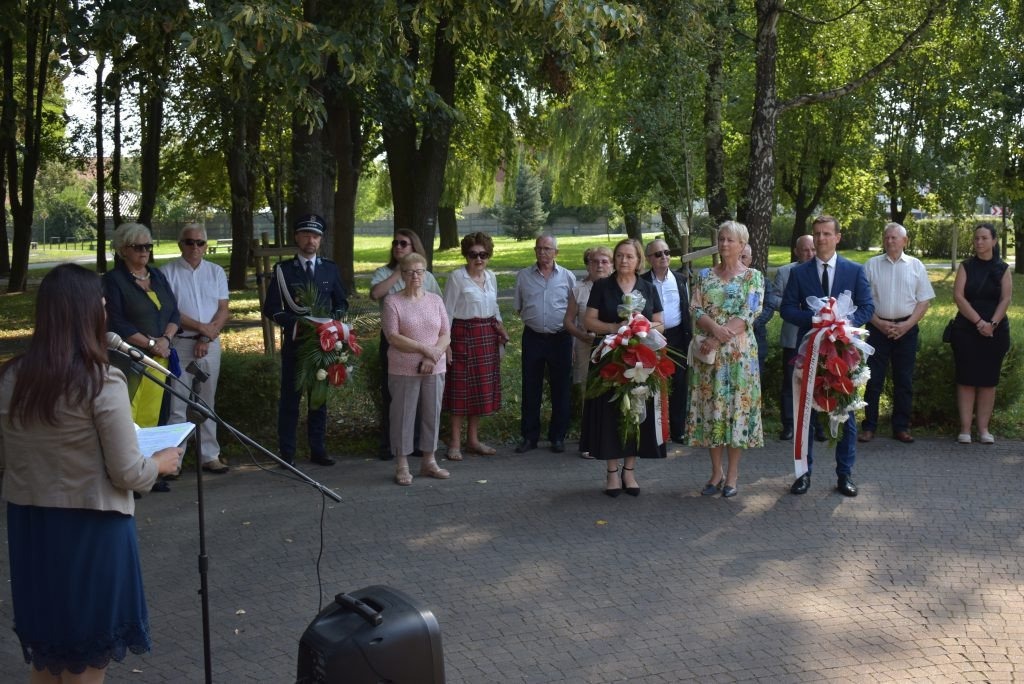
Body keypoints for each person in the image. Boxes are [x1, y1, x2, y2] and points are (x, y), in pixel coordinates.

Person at [0, 264, 181, 682]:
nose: (105, 312)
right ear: (84, 314)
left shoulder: (11, 377)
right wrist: (161, 463)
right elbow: (129, 473)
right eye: (101, 305)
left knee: (48, 658)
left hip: (30, 529)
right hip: (90, 530)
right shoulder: (101, 381)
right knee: (85, 658)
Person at [781, 215, 874, 497]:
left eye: (826, 234)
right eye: (817, 234)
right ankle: (803, 473)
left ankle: (844, 474)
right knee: (806, 413)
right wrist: (816, 320)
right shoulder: (800, 273)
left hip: (844, 352)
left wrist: (842, 323)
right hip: (810, 351)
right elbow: (786, 309)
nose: (820, 239)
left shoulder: (854, 270)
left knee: (845, 410)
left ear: (837, 237)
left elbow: (868, 306)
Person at [263, 214, 348, 467]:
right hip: (296, 344)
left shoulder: (330, 269)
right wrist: (297, 324)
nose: (310, 240)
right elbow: (272, 308)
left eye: (315, 236)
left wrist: (331, 324)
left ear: (320, 240)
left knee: (318, 399)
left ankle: (318, 449)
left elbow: (341, 302)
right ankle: (287, 453)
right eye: (306, 235)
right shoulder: (283, 271)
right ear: (297, 237)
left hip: (323, 345)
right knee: (290, 399)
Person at [687, 222, 764, 498]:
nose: (724, 244)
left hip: (739, 357)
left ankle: (732, 474)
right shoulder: (704, 275)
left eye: (730, 240)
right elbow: (695, 308)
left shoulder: (753, 277)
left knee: (735, 412)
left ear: (742, 245)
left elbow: (748, 313)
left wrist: (718, 336)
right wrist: (713, 331)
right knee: (713, 410)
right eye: (721, 239)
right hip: (709, 358)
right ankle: (715, 472)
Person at [584, 238, 667, 496]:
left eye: (629, 256)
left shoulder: (647, 287)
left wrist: (640, 329)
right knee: (610, 413)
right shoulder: (601, 286)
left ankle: (629, 472)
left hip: (640, 358)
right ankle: (611, 472)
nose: (623, 260)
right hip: (610, 356)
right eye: (619, 255)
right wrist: (614, 329)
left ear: (639, 260)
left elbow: (660, 323)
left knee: (635, 412)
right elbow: (589, 320)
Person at [161, 223, 232, 473]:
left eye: (200, 242)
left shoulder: (215, 272)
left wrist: (206, 337)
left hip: (209, 345)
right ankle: (173, 461)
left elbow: (223, 309)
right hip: (179, 344)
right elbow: (171, 312)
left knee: (207, 402)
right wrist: (203, 329)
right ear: (180, 244)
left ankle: (209, 455)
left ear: (206, 245)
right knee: (177, 405)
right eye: (189, 242)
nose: (195, 247)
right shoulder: (167, 273)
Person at [370, 229, 442, 461]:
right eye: (395, 243)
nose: (398, 247)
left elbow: (442, 319)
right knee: (397, 399)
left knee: (428, 403)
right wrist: (400, 272)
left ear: (414, 248)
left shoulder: (427, 280)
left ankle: (421, 448)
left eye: (404, 243)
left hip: (431, 346)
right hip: (398, 345)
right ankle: (393, 447)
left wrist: (436, 351)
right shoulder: (386, 276)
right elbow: (376, 293)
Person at [859, 222, 935, 444]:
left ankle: (901, 427)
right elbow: (863, 301)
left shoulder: (916, 266)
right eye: (887, 237)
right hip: (877, 329)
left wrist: (906, 325)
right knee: (873, 379)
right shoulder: (871, 265)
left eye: (894, 237)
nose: (890, 241)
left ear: (905, 241)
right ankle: (869, 427)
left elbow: (924, 301)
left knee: (904, 381)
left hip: (907, 330)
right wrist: (879, 323)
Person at [382, 252, 452, 485]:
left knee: (432, 413)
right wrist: (427, 350)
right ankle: (402, 464)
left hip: (435, 366)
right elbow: (393, 337)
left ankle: (429, 461)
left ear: (425, 273)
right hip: (404, 368)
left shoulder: (435, 300)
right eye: (410, 271)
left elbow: (445, 333)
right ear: (402, 274)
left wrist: (433, 357)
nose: (415, 276)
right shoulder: (393, 301)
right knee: (403, 415)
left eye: (420, 271)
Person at [103, 222, 181, 428]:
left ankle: (156, 459)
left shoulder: (157, 275)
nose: (144, 251)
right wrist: (150, 345)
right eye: (138, 247)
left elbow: (174, 311)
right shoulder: (113, 280)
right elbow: (116, 322)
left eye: (148, 246)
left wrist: (165, 340)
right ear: (123, 250)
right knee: (130, 419)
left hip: (161, 359)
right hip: (131, 361)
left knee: (159, 416)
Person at [442, 232, 509, 461]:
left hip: (487, 336)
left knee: (479, 391)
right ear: (466, 255)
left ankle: (473, 440)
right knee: (460, 392)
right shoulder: (456, 278)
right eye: (473, 255)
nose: (478, 259)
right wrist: (446, 344)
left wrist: (501, 329)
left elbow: (495, 307)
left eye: (483, 254)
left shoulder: (491, 277)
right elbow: (446, 313)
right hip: (462, 336)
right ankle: (454, 443)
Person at [512, 233, 577, 453]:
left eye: (547, 249)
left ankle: (557, 437)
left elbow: (573, 311)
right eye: (539, 248)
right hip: (533, 337)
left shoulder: (567, 277)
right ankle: (529, 437)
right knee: (531, 388)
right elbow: (519, 307)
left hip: (560, 338)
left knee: (561, 389)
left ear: (556, 252)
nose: (543, 252)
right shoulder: (523, 276)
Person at [950, 223, 1012, 445]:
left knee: (988, 381)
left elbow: (1006, 298)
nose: (979, 242)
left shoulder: (1003, 268)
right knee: (966, 380)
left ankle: (984, 429)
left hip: (995, 332)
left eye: (984, 238)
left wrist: (992, 324)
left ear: (994, 241)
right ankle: (965, 429)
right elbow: (959, 296)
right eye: (976, 238)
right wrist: (978, 322)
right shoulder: (966, 266)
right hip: (967, 330)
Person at [641, 238, 692, 443]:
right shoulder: (642, 281)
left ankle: (678, 430)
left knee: (679, 385)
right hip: (652, 338)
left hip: (678, 337)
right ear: (648, 259)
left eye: (667, 252)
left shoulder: (680, 279)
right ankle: (654, 431)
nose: (664, 257)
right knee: (653, 384)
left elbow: (687, 308)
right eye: (658, 254)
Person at [564, 246, 613, 458]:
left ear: (611, 264)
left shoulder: (619, 288)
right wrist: (581, 336)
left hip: (614, 348)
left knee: (613, 390)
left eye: (604, 261)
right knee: (589, 392)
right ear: (588, 265)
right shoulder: (579, 290)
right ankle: (590, 441)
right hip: (586, 347)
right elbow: (568, 321)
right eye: (595, 262)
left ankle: (612, 440)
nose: (600, 265)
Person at [772, 235, 819, 441]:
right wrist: (793, 307)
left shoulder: (822, 271)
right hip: (793, 336)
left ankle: (817, 425)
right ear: (796, 251)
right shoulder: (785, 271)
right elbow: (773, 297)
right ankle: (789, 424)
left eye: (813, 250)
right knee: (791, 382)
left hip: (818, 337)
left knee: (818, 381)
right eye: (805, 250)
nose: (809, 254)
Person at [740, 243, 773, 378]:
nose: (740, 261)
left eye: (743, 257)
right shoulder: (724, 282)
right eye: (737, 257)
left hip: (756, 337)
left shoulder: (762, 281)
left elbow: (769, 306)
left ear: (750, 259)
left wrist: (752, 324)